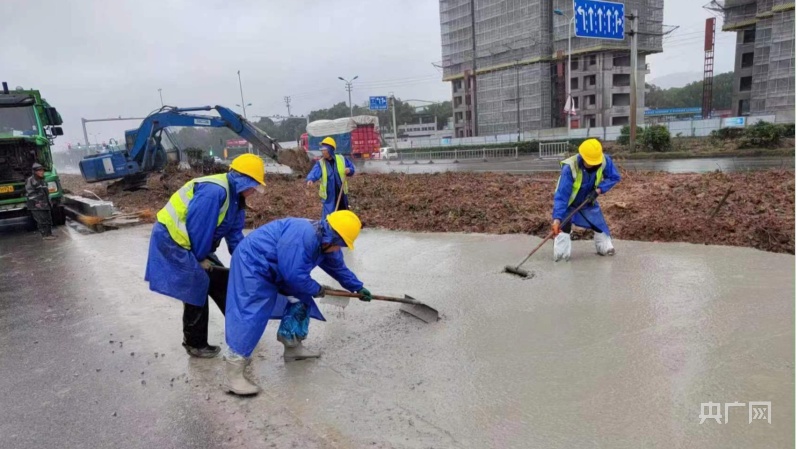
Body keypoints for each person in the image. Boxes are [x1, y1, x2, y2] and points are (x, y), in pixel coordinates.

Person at [223, 210, 372, 396]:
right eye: (340, 245)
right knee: (251, 312)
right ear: (333, 238)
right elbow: (293, 275)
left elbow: (337, 268)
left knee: (301, 301)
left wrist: (357, 287)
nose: (339, 249)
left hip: (279, 267)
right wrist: (318, 289)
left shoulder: (325, 241)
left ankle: (292, 347)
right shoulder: (302, 237)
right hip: (253, 263)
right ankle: (234, 372)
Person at [145, 154, 266, 358]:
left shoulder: (237, 200)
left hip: (194, 243)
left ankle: (241, 331)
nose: (255, 191)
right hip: (173, 239)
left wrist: (248, 265)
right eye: (254, 185)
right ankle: (194, 343)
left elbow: (236, 237)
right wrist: (200, 258)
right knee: (197, 283)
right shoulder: (214, 191)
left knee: (224, 281)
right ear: (243, 179)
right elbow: (198, 228)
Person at [551, 138, 621, 261]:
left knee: (598, 223)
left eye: (595, 162)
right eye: (590, 162)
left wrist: (598, 190)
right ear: (582, 157)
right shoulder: (570, 168)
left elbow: (614, 177)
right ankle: (561, 255)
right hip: (570, 203)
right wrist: (557, 219)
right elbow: (561, 196)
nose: (593, 165)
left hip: (589, 199)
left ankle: (604, 247)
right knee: (564, 226)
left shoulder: (604, 161)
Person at [305, 137, 356, 219]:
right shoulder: (321, 163)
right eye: (321, 149)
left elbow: (352, 168)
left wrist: (349, 170)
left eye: (324, 149)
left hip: (341, 193)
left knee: (343, 214)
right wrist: (310, 179)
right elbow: (314, 172)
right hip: (329, 196)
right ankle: (328, 230)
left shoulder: (341, 159)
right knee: (328, 217)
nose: (322, 151)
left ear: (330, 150)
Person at [26, 163, 55, 240]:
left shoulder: (42, 180)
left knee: (48, 219)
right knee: (41, 220)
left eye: (42, 170)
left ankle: (49, 234)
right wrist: (39, 201)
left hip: (45, 204)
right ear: (35, 172)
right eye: (39, 171)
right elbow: (30, 194)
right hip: (36, 205)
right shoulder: (30, 180)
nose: (42, 172)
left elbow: (46, 192)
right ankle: (45, 235)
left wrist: (48, 201)